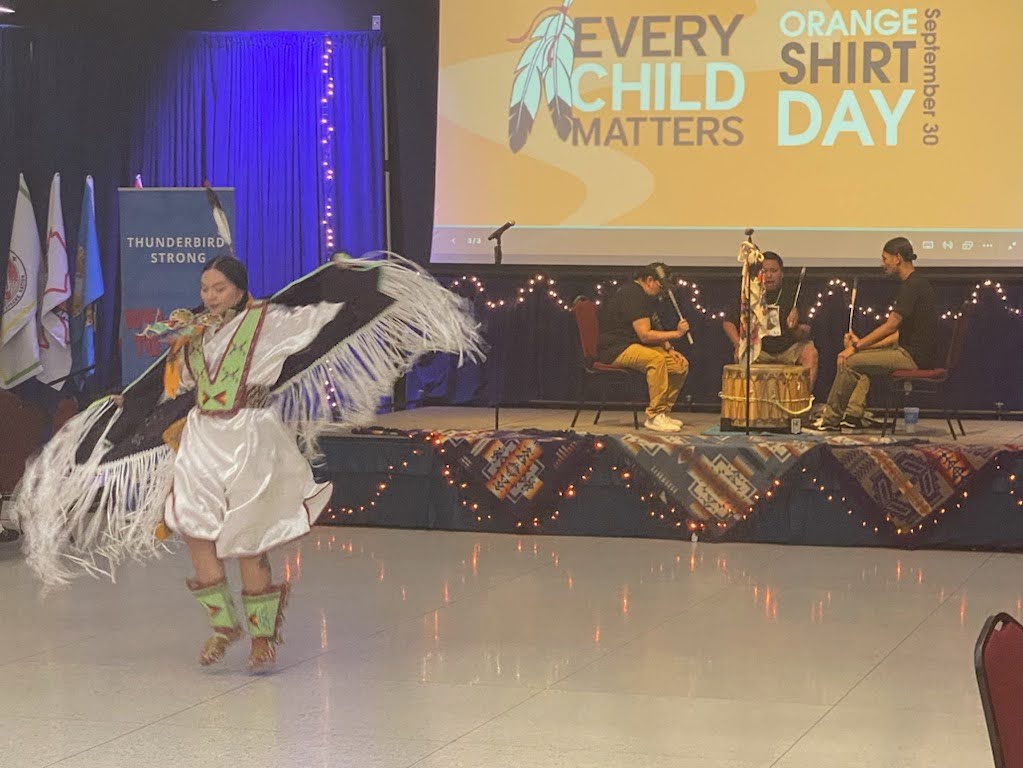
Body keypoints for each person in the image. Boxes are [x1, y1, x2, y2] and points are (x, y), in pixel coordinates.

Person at [16, 250, 483, 672]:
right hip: (201, 437)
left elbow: (327, 316)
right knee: (197, 532)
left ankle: (262, 639)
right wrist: (129, 403)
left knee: (247, 539)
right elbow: (171, 390)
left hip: (250, 437)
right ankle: (223, 627)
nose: (210, 296)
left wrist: (350, 277)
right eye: (204, 288)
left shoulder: (272, 322)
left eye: (219, 288)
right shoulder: (192, 335)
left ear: (240, 288)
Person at [810, 236, 938, 431]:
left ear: (897, 258)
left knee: (850, 362)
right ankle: (851, 415)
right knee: (858, 359)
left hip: (914, 358)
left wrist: (854, 348)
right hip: (910, 352)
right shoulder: (916, 283)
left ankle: (830, 421)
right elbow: (898, 336)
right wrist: (862, 346)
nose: (882, 263)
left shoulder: (913, 285)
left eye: (885, 258)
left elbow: (891, 327)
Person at [597, 264, 690, 433]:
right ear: (649, 280)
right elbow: (645, 335)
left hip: (634, 345)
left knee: (679, 365)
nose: (662, 292)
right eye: (661, 287)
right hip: (616, 348)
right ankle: (654, 416)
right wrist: (676, 334)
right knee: (656, 360)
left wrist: (669, 349)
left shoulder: (646, 298)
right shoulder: (632, 294)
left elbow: (655, 326)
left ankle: (663, 413)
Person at [722, 251, 819, 388]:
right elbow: (728, 322)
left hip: (788, 348)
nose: (768, 275)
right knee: (741, 355)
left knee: (811, 353)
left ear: (781, 273)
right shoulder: (751, 292)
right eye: (764, 271)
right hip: (759, 349)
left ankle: (801, 401)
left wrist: (794, 327)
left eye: (773, 271)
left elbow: (805, 332)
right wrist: (738, 344)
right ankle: (750, 405)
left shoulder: (793, 293)